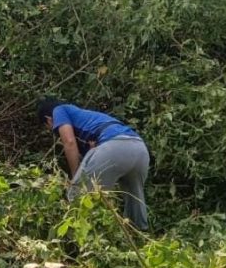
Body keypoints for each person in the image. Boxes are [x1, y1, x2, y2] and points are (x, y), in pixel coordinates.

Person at [37, 98, 150, 231]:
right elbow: (92, 156)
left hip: (114, 146)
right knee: (134, 200)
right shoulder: (87, 119)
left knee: (78, 196)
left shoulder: (59, 110)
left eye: (49, 127)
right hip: (139, 148)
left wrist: (75, 177)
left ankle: (81, 240)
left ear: (49, 120)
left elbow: (69, 142)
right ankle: (140, 236)